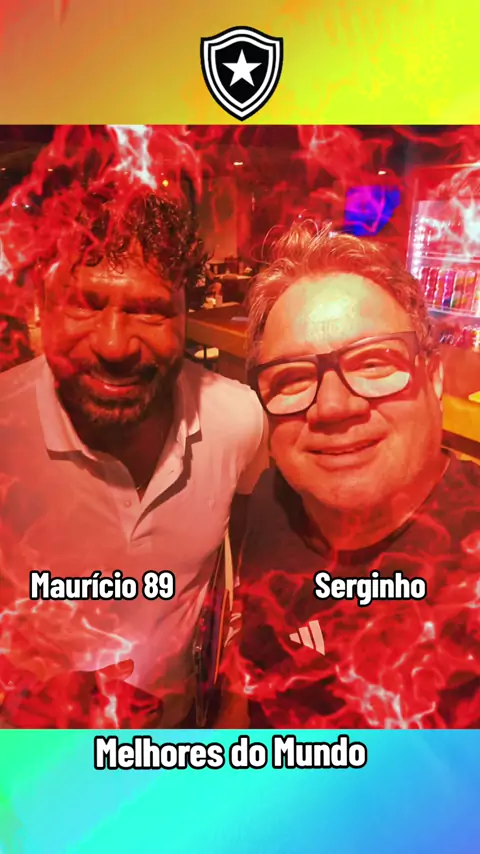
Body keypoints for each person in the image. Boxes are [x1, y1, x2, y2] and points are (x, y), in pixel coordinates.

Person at [0, 186, 267, 728]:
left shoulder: (239, 420)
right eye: (85, 302)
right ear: (41, 305)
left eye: (151, 310)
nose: (115, 344)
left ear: (186, 314)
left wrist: (231, 697)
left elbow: (244, 568)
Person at [218, 221, 480, 730]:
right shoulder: (273, 500)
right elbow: (253, 669)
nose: (334, 406)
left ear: (434, 378)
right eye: (292, 377)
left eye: (374, 363)